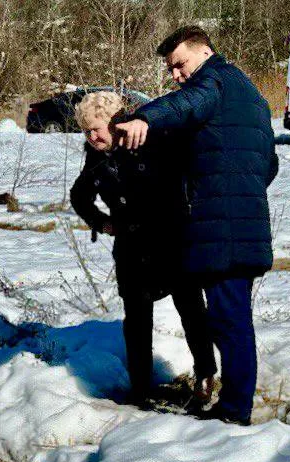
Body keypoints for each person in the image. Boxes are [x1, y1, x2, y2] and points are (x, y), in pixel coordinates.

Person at [115, 26, 279, 425]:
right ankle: (234, 403)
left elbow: (185, 103)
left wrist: (145, 118)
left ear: (204, 51)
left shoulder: (215, 82)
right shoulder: (249, 93)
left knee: (229, 320)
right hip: (238, 220)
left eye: (179, 64)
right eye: (171, 69)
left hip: (223, 228)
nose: (176, 75)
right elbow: (268, 163)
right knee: (230, 317)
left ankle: (235, 411)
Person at [70, 90, 216, 408]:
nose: (92, 136)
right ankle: (140, 390)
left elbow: (191, 171)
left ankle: (206, 376)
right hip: (131, 248)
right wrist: (101, 221)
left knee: (191, 310)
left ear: (116, 122)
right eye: (86, 131)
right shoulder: (95, 156)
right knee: (136, 321)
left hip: (173, 241)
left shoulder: (150, 141)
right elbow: (79, 195)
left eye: (96, 128)